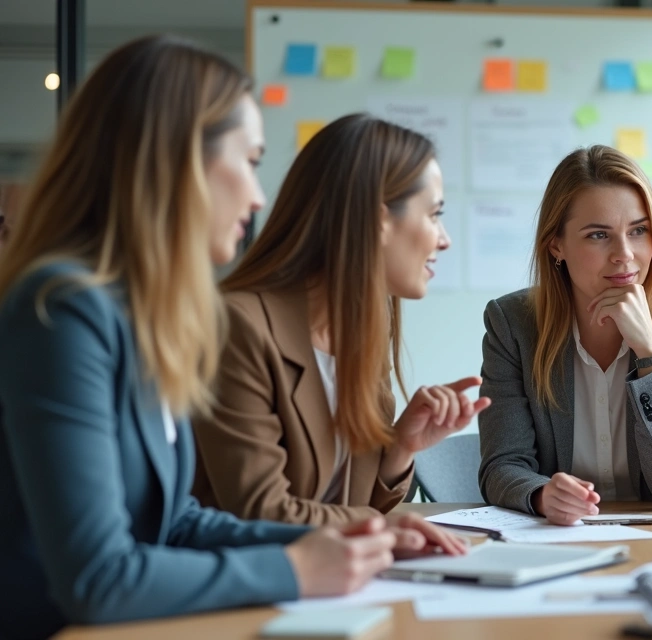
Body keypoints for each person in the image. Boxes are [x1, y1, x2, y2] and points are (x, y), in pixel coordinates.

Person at [0, 36, 462, 639]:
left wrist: (354, 537)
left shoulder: (139, 314)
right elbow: (98, 579)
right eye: (248, 161)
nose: (259, 194)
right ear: (180, 162)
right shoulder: (62, 310)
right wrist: (295, 567)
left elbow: (178, 519)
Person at [192, 114, 488, 525]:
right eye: (434, 214)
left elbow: (356, 502)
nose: (444, 238)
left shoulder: (361, 326)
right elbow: (259, 511)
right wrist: (378, 525)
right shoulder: (239, 327)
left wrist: (401, 447)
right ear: (378, 219)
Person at [478, 145, 652, 525]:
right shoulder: (512, 324)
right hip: (555, 539)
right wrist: (543, 495)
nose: (624, 254)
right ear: (556, 244)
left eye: (639, 231)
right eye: (598, 235)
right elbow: (501, 466)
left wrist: (651, 355)